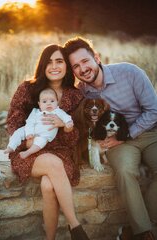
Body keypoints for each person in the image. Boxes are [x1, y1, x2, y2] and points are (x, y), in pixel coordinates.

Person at [64, 36, 157, 240]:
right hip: (114, 140)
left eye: (85, 61)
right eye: (76, 66)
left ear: (96, 57)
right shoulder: (82, 92)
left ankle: (140, 230)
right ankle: (145, 233)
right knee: (124, 171)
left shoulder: (130, 73)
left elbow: (153, 111)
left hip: (150, 132)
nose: (83, 69)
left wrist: (128, 135)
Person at [6, 44, 90, 240]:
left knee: (48, 186)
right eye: (49, 62)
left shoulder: (75, 95)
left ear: (66, 66)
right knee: (52, 164)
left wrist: (64, 126)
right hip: (31, 152)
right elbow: (13, 121)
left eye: (59, 61)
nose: (54, 66)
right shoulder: (28, 89)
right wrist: (26, 142)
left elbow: (78, 133)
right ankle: (75, 227)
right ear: (43, 65)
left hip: (62, 153)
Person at [5, 88, 73, 159]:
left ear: (57, 102)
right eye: (44, 101)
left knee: (40, 142)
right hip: (32, 129)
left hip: (45, 134)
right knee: (18, 132)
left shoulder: (57, 111)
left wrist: (68, 122)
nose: (49, 103)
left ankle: (27, 152)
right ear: (39, 104)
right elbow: (30, 122)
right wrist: (29, 133)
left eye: (52, 101)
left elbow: (66, 117)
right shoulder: (35, 112)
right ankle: (11, 146)